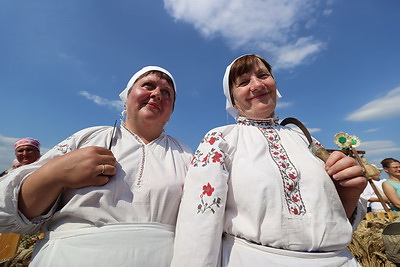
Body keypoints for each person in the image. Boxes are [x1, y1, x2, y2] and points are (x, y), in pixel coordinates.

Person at [171, 54, 366, 266]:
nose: (257, 84)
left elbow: (336, 218)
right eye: (244, 82)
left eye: (263, 75)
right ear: (233, 100)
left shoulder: (305, 139)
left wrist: (350, 193)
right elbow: (199, 221)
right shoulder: (221, 140)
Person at [0, 66, 193, 266]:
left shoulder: (188, 155)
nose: (156, 94)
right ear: (127, 98)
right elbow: (9, 211)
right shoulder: (88, 138)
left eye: (166, 92)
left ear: (171, 111)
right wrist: (55, 174)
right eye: (148, 85)